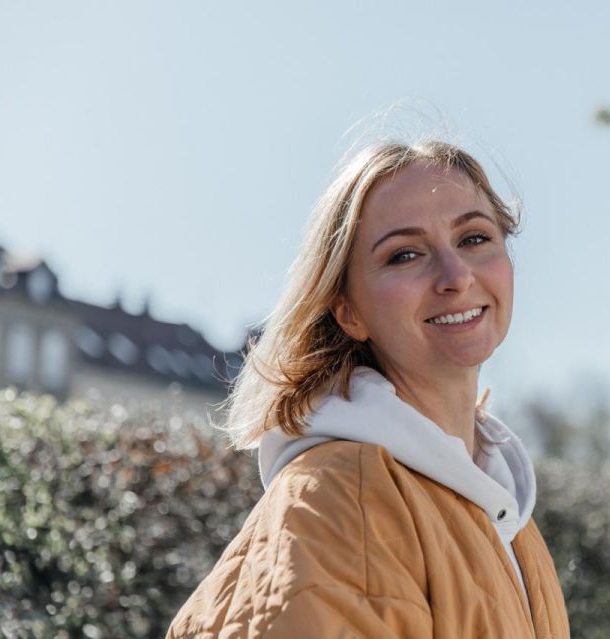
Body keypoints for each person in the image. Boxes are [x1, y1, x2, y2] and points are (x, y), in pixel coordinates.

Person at [166, 139, 570, 638]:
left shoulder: (508, 516)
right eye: (405, 254)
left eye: (474, 238)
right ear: (348, 311)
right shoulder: (339, 499)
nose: (456, 275)